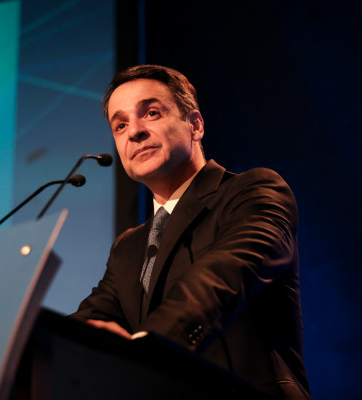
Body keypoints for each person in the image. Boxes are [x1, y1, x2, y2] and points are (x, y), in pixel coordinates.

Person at [71, 65, 310, 399]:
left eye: (151, 113)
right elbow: (92, 319)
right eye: (120, 125)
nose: (134, 132)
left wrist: (146, 352)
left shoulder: (254, 192)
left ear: (195, 125)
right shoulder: (129, 247)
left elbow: (220, 279)